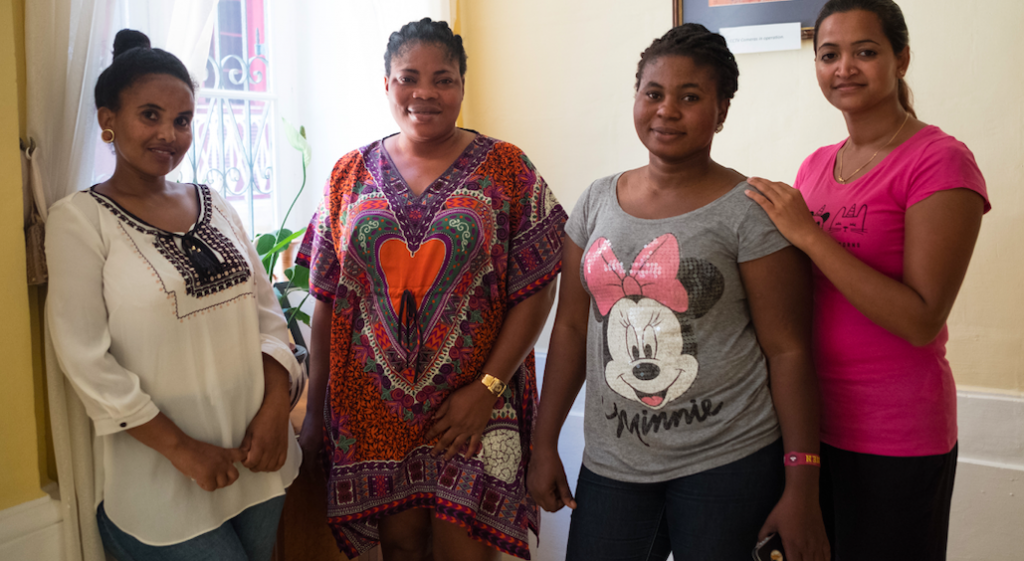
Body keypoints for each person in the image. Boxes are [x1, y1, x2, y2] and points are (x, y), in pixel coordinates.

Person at [527, 24, 830, 561]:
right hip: (612, 466)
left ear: (722, 111)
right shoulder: (597, 201)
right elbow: (572, 329)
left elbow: (789, 350)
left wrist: (802, 482)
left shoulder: (749, 211)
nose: (667, 110)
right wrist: (543, 443)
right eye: (653, 93)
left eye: (690, 97)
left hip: (729, 463)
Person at [295, 18, 566, 561]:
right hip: (374, 409)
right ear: (386, 84)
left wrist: (487, 389)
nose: (425, 93)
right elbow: (327, 296)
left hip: (473, 409)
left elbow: (538, 286)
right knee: (400, 550)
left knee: (464, 552)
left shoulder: (508, 169)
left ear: (463, 84)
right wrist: (318, 404)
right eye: (408, 77)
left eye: (443, 78)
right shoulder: (348, 174)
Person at [745, 1, 990, 558]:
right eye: (829, 54)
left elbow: (921, 319)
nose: (844, 68)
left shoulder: (940, 161)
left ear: (901, 59)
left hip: (896, 436)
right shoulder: (816, 165)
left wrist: (808, 234)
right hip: (809, 427)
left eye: (866, 52)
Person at [45, 29, 301, 561]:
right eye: (151, 115)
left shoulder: (214, 203)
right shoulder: (80, 220)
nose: (169, 133)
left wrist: (277, 410)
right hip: (161, 479)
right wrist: (185, 451)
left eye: (182, 120)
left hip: (256, 462)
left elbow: (268, 317)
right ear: (107, 119)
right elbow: (85, 358)